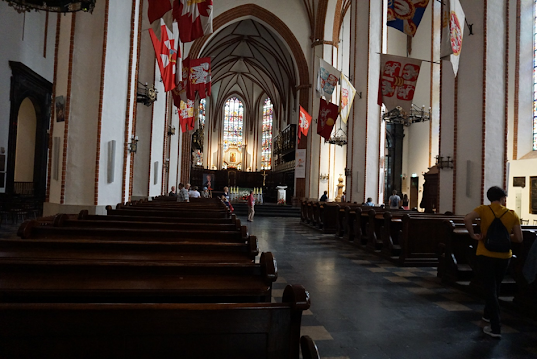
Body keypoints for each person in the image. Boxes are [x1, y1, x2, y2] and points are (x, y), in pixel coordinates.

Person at [464, 186, 523, 339]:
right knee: (495, 287)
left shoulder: (483, 210)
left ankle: (496, 327)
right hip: (504, 256)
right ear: (503, 198)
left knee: (490, 289)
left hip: (486, 253)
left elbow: (467, 218)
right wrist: (504, 238)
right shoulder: (512, 214)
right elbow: (520, 238)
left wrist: (473, 234)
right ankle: (487, 316)